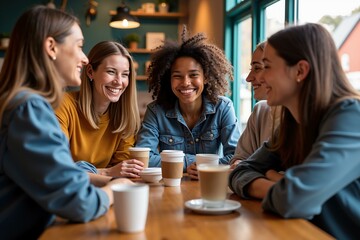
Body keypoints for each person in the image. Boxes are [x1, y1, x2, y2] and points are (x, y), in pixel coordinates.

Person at [0, 6, 132, 239]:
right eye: (79, 46)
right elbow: (80, 203)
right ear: (51, 47)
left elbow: (62, 175)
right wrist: (117, 189)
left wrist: (109, 179)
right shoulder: (29, 108)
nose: (84, 57)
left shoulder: (23, 103)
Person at [229, 23, 360, 239]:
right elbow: (239, 171)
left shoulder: (350, 117)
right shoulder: (293, 122)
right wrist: (280, 183)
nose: (259, 78)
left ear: (300, 70)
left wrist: (279, 183)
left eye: (267, 67)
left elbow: (293, 199)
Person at [135, 25, 241, 180]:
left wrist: (182, 164)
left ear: (205, 77)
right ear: (168, 79)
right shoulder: (156, 111)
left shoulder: (223, 107)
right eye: (177, 76)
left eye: (193, 75)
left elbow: (236, 157)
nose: (185, 83)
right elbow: (144, 158)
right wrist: (197, 164)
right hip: (171, 189)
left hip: (210, 186)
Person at [55, 41, 144, 178]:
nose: (119, 81)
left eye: (125, 74)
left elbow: (122, 169)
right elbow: (56, 167)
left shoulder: (125, 117)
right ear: (90, 72)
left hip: (105, 189)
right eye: (111, 72)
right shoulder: (63, 105)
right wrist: (106, 172)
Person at [229, 42, 280, 170]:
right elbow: (240, 160)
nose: (248, 78)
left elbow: (294, 183)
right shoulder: (260, 111)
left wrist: (251, 172)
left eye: (257, 68)